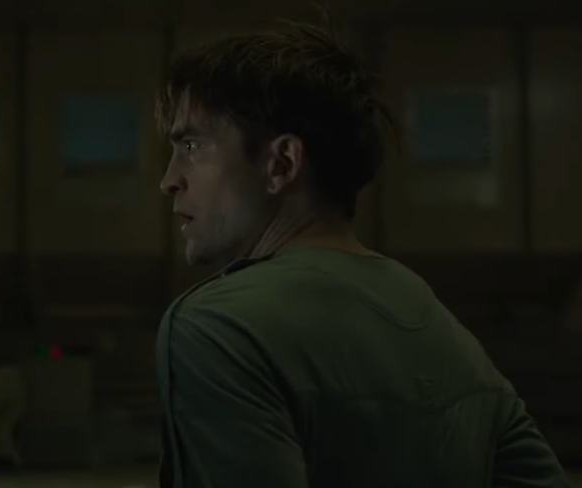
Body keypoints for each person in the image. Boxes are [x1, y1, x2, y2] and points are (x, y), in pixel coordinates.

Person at [154, 22, 569, 488]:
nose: (169, 180)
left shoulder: (217, 327)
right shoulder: (442, 329)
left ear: (281, 163)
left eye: (192, 146)